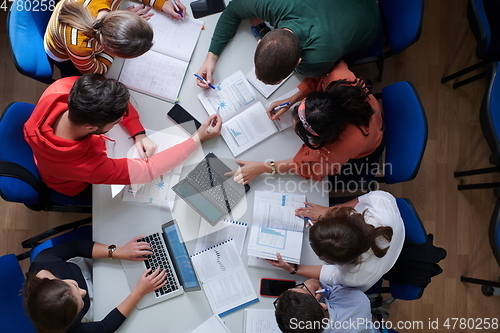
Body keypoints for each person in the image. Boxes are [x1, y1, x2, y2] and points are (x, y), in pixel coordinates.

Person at [24, 73, 221, 197]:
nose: (121, 120)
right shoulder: (86, 166)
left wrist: (138, 132)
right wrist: (197, 139)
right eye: (117, 121)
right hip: (72, 184)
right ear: (91, 128)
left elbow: (111, 93)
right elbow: (146, 171)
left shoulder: (64, 88)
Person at [227, 60, 383, 184]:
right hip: (369, 112)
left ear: (323, 138)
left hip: (372, 138)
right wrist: (291, 100)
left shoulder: (340, 148)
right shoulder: (338, 77)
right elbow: (319, 78)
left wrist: (263, 167)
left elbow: (308, 166)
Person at [196, 0, 380, 87]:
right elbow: (234, 9)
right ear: (260, 44)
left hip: (370, 22)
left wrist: (261, 29)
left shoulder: (315, 61)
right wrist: (211, 57)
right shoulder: (274, 4)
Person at [267, 191, 405, 292]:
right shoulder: (381, 209)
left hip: (383, 264)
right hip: (394, 244)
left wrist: (293, 268)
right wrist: (329, 211)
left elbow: (331, 275)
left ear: (336, 263)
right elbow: (373, 197)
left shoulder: (354, 276)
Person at [25, 238, 166, 333]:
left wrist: (118, 251)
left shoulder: (45, 261)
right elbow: (105, 327)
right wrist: (138, 293)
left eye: (74, 286)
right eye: (80, 303)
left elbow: (76, 246)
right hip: (97, 304)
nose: (83, 292)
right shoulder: (66, 325)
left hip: (90, 265)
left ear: (55, 280)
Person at [45, 0, 187, 76]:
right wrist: (110, 52)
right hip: (61, 52)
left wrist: (162, 3)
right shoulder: (79, 46)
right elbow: (97, 70)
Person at [274, 279, 376, 333]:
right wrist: (316, 282)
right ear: (322, 306)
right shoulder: (357, 302)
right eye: (303, 288)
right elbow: (335, 290)